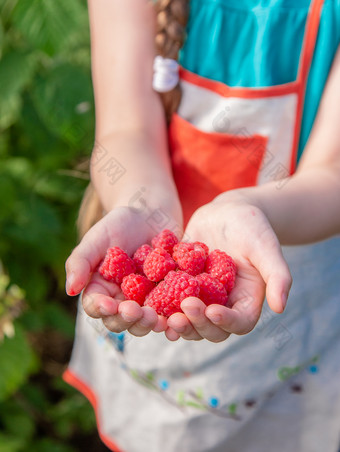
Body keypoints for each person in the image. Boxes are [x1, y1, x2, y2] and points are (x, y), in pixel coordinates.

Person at [64, 0, 340, 451]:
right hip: (156, 309)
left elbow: (333, 172)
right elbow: (125, 130)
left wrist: (252, 210)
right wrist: (143, 209)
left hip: (301, 291)